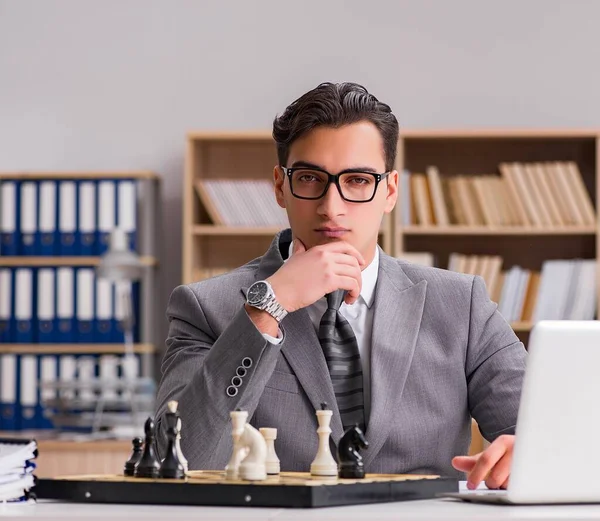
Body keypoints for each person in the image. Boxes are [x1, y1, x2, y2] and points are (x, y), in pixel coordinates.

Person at [154, 82, 526, 490]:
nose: (332, 206)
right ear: (280, 186)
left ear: (389, 190)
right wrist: (269, 307)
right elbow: (178, 460)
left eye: (358, 180)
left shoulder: (461, 304)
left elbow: (550, 436)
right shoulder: (204, 308)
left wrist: (527, 449)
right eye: (311, 178)